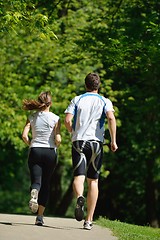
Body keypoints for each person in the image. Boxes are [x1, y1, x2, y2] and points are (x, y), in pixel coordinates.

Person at [64, 73, 118, 230]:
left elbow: (67, 119)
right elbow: (111, 118)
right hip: (96, 143)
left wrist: (72, 132)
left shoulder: (77, 99)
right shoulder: (104, 101)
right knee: (93, 181)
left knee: (78, 176)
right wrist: (113, 140)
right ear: (98, 85)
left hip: (79, 141)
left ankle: (79, 197)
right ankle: (88, 220)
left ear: (85, 85)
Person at [22, 91, 61, 226]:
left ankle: (34, 192)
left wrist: (31, 144)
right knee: (46, 183)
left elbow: (24, 136)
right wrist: (57, 143)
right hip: (50, 152)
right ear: (50, 103)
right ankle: (39, 217)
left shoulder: (31, 117)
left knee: (36, 181)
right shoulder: (56, 118)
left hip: (35, 150)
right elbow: (58, 138)